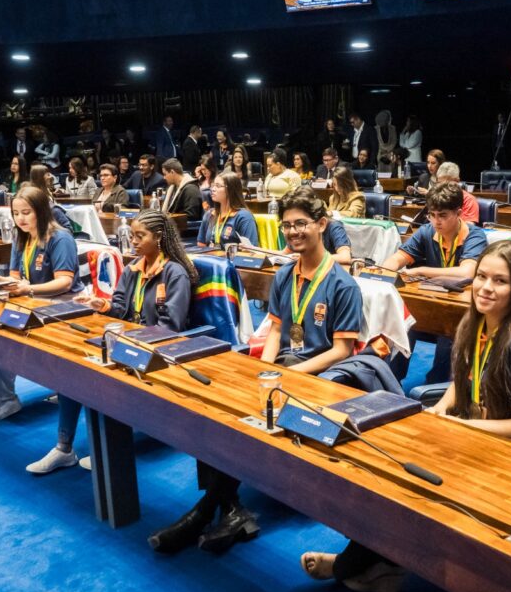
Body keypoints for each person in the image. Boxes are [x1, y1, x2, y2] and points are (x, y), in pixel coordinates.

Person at [300, 241, 511, 592]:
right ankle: (382, 564)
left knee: (408, 489)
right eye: (481, 276)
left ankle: (349, 565)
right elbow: (462, 379)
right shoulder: (476, 324)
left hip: (504, 453)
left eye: (500, 281)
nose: (486, 287)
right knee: (383, 468)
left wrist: (468, 427)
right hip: (467, 436)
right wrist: (440, 409)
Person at [147, 187, 362, 555]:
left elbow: (341, 350)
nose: (293, 232)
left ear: (322, 224)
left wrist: (291, 375)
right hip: (285, 367)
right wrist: (263, 371)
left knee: (253, 409)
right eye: (287, 226)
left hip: (324, 377)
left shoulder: (343, 284)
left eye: (301, 224)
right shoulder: (285, 274)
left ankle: (204, 512)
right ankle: (229, 507)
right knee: (216, 406)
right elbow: (275, 331)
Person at [26, 210, 199, 474]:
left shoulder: (175, 273)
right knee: (72, 368)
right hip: (128, 342)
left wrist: (129, 341)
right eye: (132, 236)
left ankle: (109, 447)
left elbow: (170, 327)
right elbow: (120, 308)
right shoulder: (133, 269)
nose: (134, 241)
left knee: (98, 375)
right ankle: (63, 448)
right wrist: (103, 305)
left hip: (158, 350)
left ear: (159, 237)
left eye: (140, 236)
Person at [0, 187, 83, 423]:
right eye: (16, 213)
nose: (20, 218)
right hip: (32, 299)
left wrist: (27, 289)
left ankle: (4, 399)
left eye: (26, 212)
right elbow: (15, 279)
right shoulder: (21, 237)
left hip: (63, 303)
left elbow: (64, 282)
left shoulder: (60, 238)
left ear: (41, 211)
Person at [384, 182, 487, 280]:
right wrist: (385, 271)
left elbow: (467, 273)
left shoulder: (475, 236)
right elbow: (398, 258)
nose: (436, 222)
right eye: (432, 215)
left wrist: (421, 271)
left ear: (458, 214)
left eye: (442, 215)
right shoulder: (426, 231)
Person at [197, 171, 259, 247]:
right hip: (210, 254)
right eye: (213, 185)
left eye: (218, 186)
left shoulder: (244, 217)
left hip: (233, 255)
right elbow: (201, 244)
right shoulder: (209, 214)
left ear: (230, 189)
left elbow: (251, 249)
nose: (213, 189)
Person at [24, 165, 75, 233]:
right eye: (47, 174)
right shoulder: (36, 198)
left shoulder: (48, 192)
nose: (50, 176)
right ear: (40, 177)